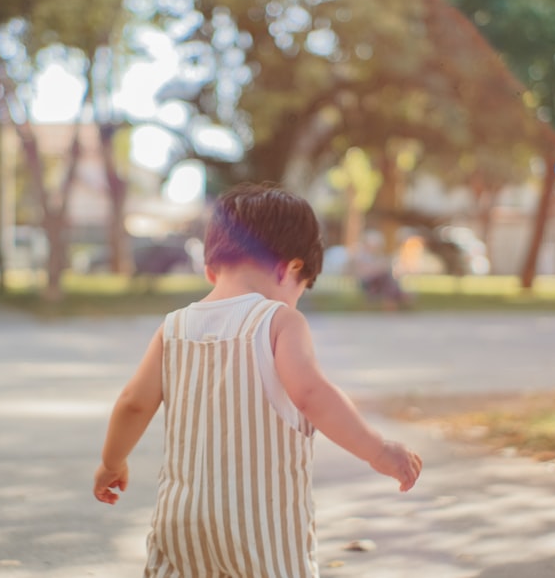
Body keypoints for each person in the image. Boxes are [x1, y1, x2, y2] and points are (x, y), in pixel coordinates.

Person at [93, 183, 423, 577]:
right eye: (300, 291)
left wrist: (112, 462)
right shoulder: (280, 321)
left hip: (181, 518)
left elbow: (134, 402)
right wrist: (377, 449)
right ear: (290, 268)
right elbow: (312, 394)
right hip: (259, 527)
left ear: (210, 268)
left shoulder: (174, 327)